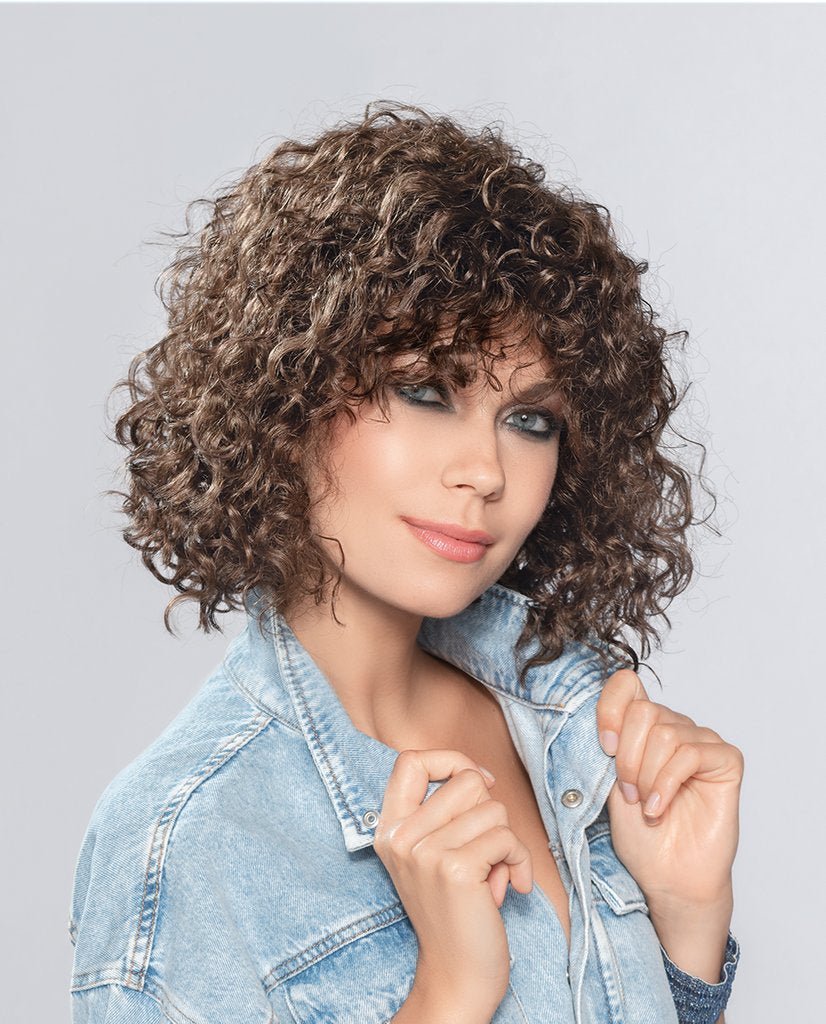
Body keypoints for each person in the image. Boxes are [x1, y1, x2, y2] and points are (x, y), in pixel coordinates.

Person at [69, 102, 742, 1024]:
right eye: (425, 392)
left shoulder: (569, 727)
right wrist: (449, 993)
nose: (486, 472)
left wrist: (688, 929)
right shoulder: (184, 839)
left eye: (529, 420)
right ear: (288, 397)